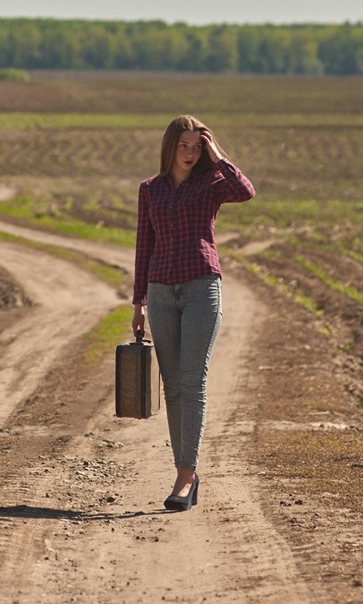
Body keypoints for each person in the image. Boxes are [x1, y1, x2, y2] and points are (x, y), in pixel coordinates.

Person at [131, 115, 255, 512]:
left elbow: (246, 191)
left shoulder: (211, 183)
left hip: (202, 287)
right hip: (161, 291)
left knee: (193, 379)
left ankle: (186, 476)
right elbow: (142, 247)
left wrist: (217, 154)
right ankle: (184, 471)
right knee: (173, 385)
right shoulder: (150, 189)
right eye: (183, 146)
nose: (190, 153)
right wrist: (138, 303)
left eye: (196, 146)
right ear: (170, 147)